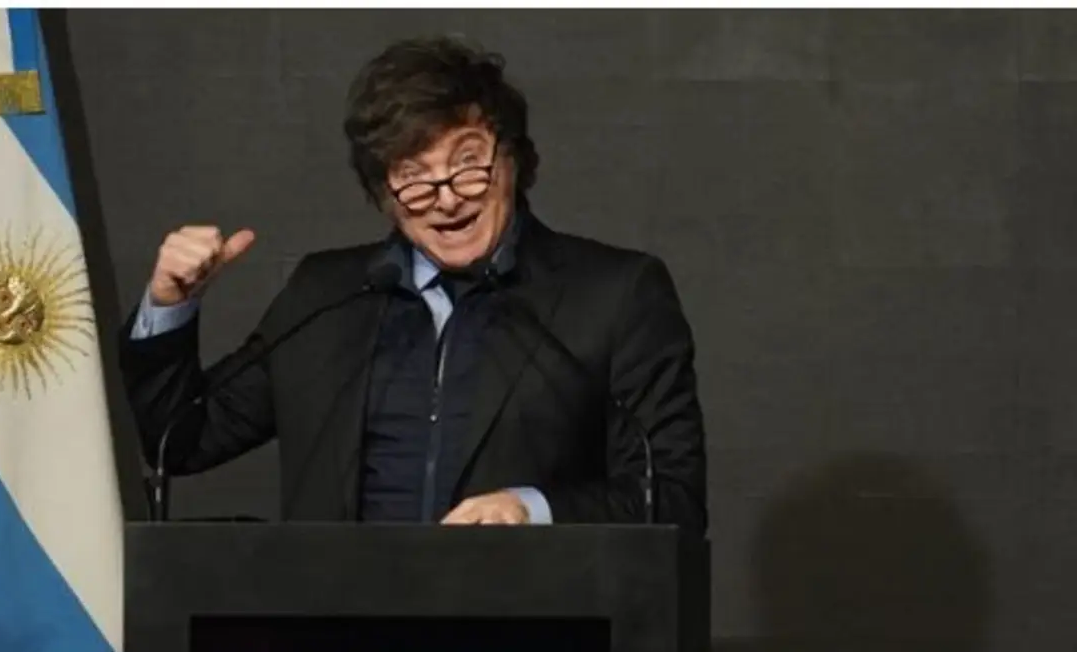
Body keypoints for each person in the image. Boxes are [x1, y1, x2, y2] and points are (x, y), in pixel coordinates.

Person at [119, 35, 707, 529]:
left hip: (526, 617)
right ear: (384, 192)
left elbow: (672, 499)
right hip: (337, 619)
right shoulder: (324, 294)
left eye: (468, 164)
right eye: (413, 175)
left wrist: (532, 510)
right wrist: (170, 305)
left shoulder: (614, 294)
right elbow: (181, 441)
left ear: (515, 161)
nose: (446, 198)